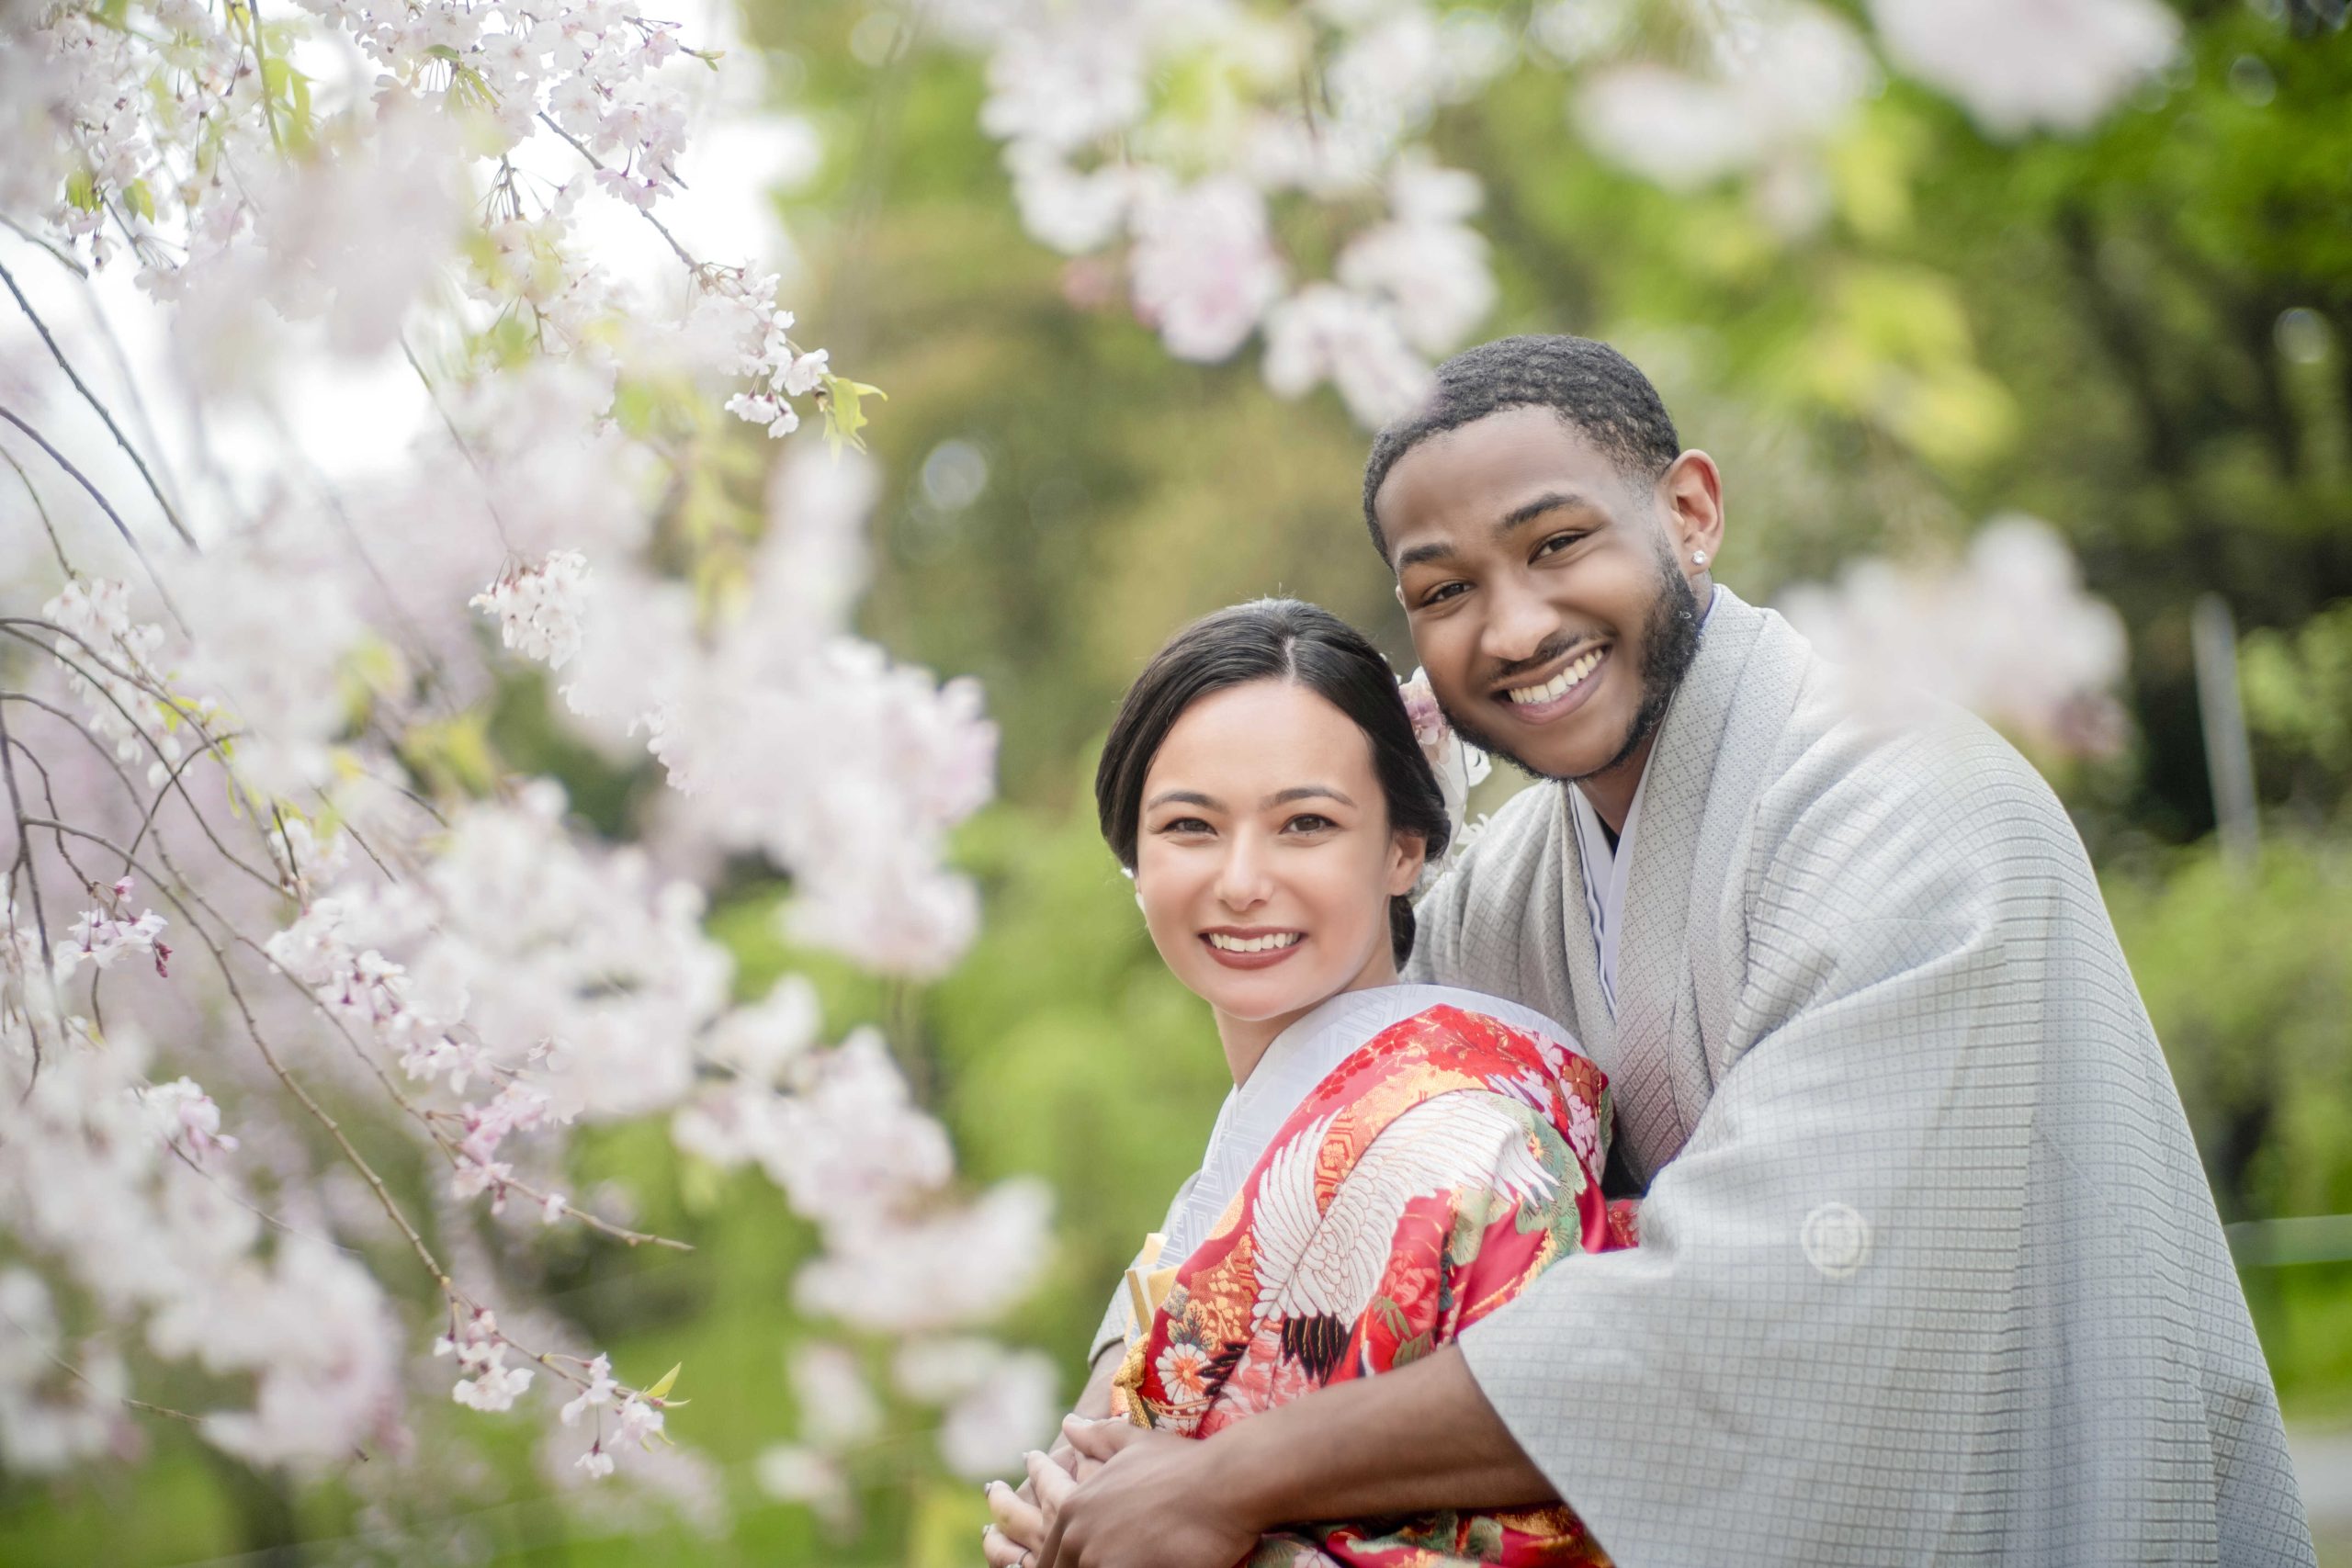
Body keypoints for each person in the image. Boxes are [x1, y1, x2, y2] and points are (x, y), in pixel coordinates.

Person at [1019, 336, 2315, 1566]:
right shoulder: (1511, 885)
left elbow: (1757, 1303)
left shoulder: (1911, 804)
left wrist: (1229, 1479)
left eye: (1558, 542)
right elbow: (1342, 1169)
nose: (1515, 625)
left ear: (1690, 512)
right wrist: (1120, 1460)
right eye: (1445, 590)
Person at [984, 599, 1628, 1567]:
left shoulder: (1473, 1148)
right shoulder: (1221, 1182)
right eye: (1190, 827)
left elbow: (1567, 1518)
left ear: (1404, 849)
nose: (1242, 880)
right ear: (1132, 855)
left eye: (1306, 824)